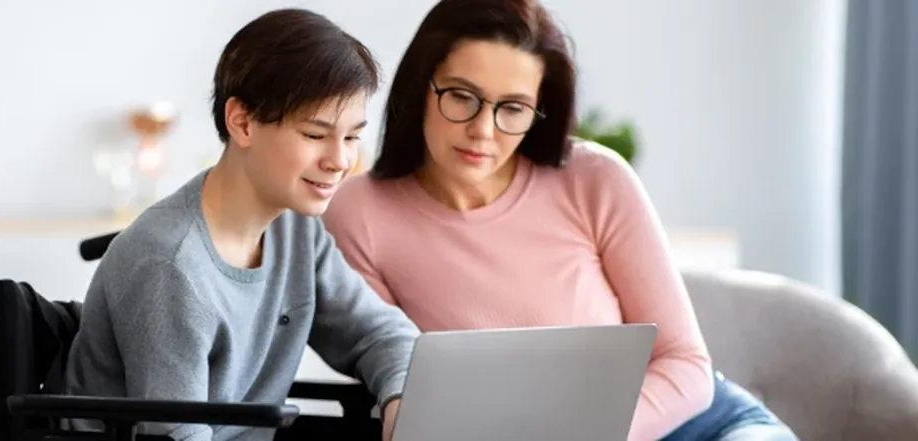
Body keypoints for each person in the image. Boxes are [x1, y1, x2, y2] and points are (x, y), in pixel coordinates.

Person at [321, 0, 798, 440]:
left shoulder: (594, 177)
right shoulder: (359, 214)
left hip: (699, 424)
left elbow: (686, 364)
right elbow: (396, 372)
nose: (483, 130)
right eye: (462, 96)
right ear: (421, 85)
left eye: (512, 108)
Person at [63, 8, 419, 441]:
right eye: (314, 134)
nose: (340, 161)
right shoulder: (170, 265)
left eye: (350, 137)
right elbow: (178, 436)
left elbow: (381, 333)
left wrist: (403, 402)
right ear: (242, 122)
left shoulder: (296, 230)